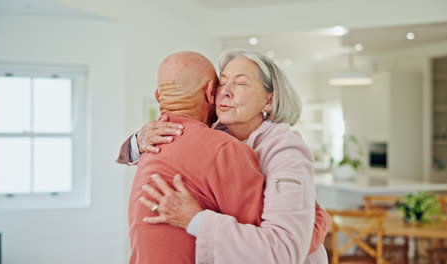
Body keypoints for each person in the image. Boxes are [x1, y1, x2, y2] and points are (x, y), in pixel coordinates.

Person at [118, 50, 330, 263]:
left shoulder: (285, 149)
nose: (226, 92)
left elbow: (283, 251)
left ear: (269, 101)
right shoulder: (214, 138)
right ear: (212, 91)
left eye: (241, 83)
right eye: (223, 82)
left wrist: (195, 219)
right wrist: (137, 141)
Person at [125, 51, 266, 264]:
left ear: (158, 97)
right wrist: (318, 217)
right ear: (211, 92)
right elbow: (266, 246)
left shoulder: (149, 146)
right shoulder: (223, 149)